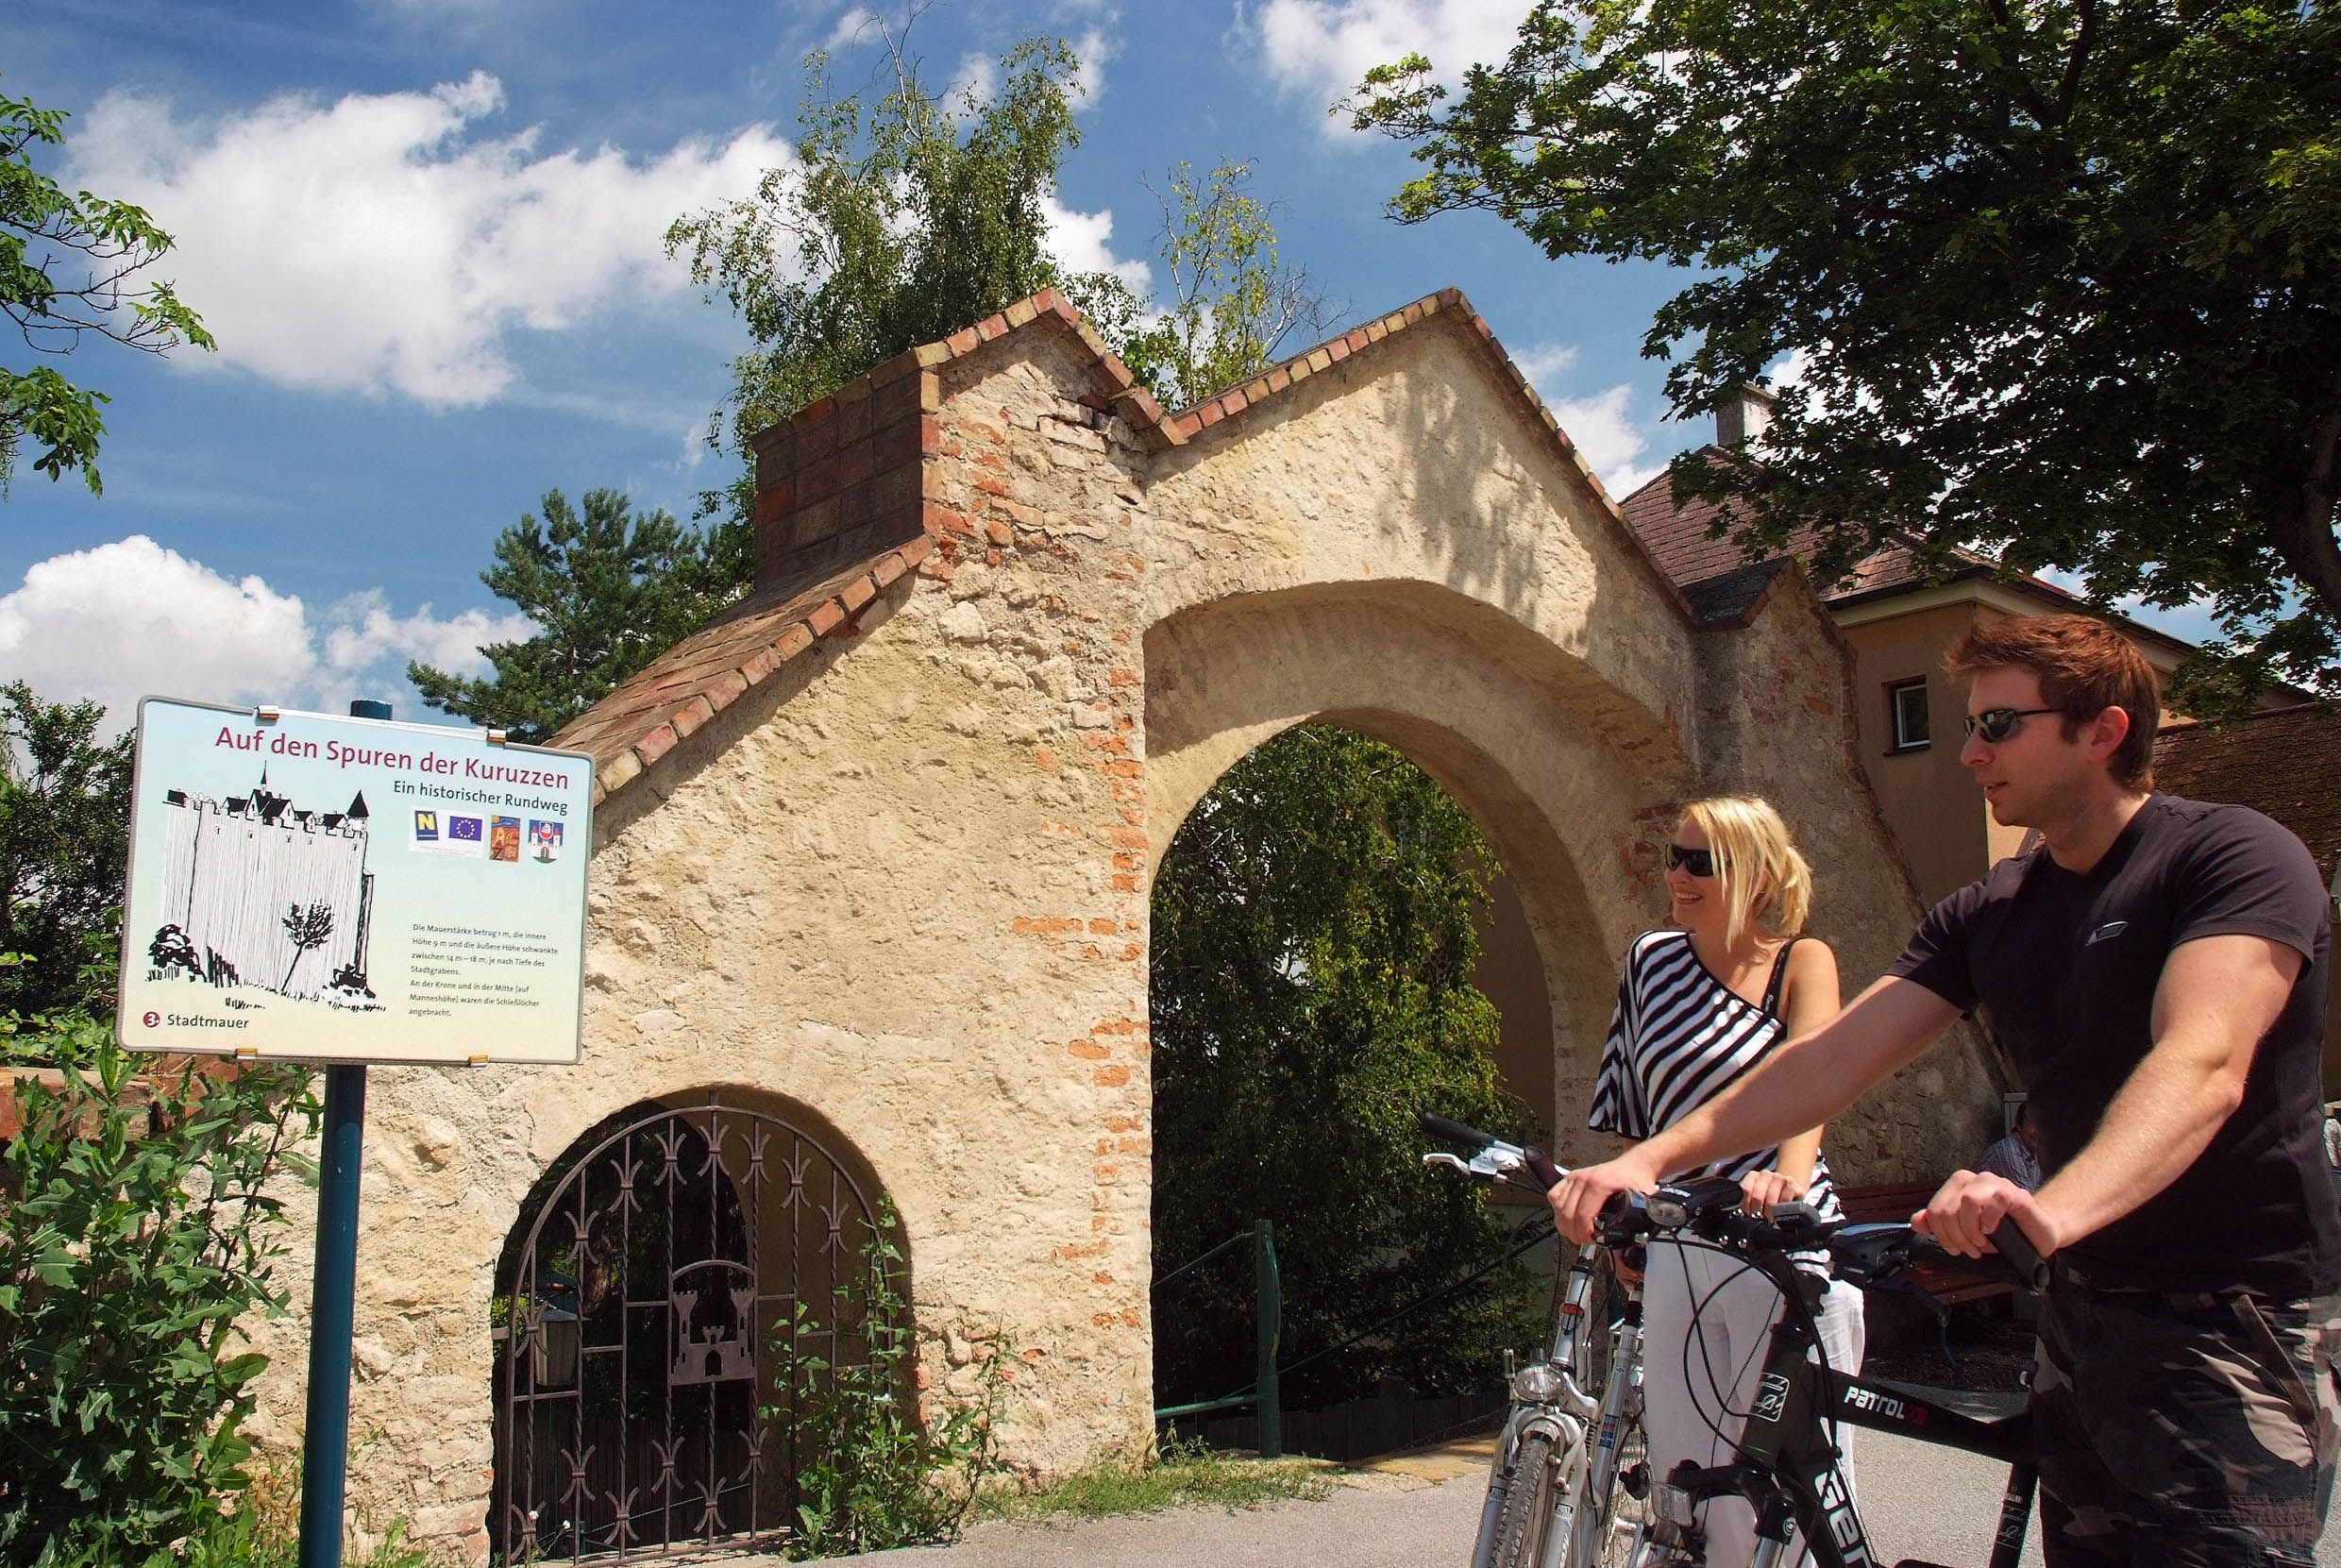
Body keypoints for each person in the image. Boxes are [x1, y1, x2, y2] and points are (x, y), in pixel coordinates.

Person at [1551, 615, 2340, 1567]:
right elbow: (1829, 1061)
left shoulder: (2231, 858)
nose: (1968, 751)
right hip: (2080, 1306)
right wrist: (1646, 1159)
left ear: (2103, 731)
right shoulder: (1991, 909)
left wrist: (2049, 1210)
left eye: (1998, 725)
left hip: (2231, 1311)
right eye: (1967, 725)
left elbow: (2201, 1064)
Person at [1590, 795, 1860, 1568]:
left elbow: (1813, 1082)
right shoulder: (1650, 960)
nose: (1678, 875)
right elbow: (1635, 1107)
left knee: (1792, 1497)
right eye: (1673, 857)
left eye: (1700, 863)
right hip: (1681, 1242)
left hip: (1776, 1245)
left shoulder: (1801, 962)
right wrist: (1634, 1211)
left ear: (1756, 873)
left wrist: (1788, 1179)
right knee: (1688, 1489)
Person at [1977, 1103, 2044, 1192]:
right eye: (2033, 1123)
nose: (2039, 1131)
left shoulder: (2033, 1151)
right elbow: (2028, 1197)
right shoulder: (2009, 1152)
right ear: (2019, 1125)